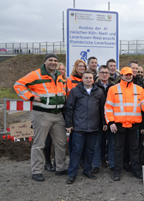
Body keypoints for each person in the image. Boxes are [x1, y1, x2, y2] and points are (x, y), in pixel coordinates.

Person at [14, 53, 68, 181]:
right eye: (50, 60)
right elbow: (18, 85)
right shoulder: (36, 74)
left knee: (61, 143)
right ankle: (37, 171)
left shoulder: (59, 76)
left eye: (55, 60)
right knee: (39, 144)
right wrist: (31, 97)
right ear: (45, 62)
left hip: (58, 114)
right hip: (42, 114)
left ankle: (61, 167)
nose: (53, 62)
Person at [105, 67, 144, 181]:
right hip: (119, 125)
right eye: (126, 74)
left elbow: (143, 107)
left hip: (134, 125)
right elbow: (108, 107)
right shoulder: (113, 89)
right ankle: (117, 171)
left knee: (134, 148)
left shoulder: (139, 89)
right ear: (121, 76)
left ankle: (135, 170)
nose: (128, 76)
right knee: (118, 149)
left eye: (130, 74)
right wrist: (111, 122)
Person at [65, 71, 105, 184]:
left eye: (90, 78)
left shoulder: (99, 92)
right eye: (86, 78)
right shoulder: (75, 91)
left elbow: (102, 109)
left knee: (90, 150)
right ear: (82, 79)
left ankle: (87, 170)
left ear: (93, 79)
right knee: (76, 151)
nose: (88, 80)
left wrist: (104, 123)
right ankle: (72, 174)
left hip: (93, 127)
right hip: (79, 127)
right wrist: (68, 124)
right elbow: (69, 108)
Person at [91, 65, 116, 174]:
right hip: (97, 120)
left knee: (112, 144)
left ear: (109, 74)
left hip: (111, 120)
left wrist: (109, 121)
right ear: (98, 74)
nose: (104, 74)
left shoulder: (114, 87)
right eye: (102, 72)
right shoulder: (93, 87)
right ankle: (96, 165)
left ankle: (112, 164)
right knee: (96, 145)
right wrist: (102, 122)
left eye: (106, 72)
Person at [44, 62, 67, 172]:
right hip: (48, 113)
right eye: (60, 69)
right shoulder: (50, 82)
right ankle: (47, 162)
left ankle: (57, 163)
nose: (61, 71)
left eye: (63, 69)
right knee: (48, 141)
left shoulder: (64, 82)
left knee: (59, 142)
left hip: (61, 114)